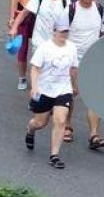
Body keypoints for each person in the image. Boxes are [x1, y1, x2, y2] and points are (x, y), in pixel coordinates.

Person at [25, 18, 79, 170]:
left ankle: (54, 155)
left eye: (66, 31)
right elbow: (35, 68)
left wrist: (75, 85)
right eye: (61, 31)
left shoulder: (72, 48)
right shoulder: (45, 48)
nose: (63, 34)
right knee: (40, 123)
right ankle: (30, 130)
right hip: (45, 90)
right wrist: (34, 87)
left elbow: (74, 68)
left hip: (63, 89)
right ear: (54, 32)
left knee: (60, 120)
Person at [8, 0, 71, 85]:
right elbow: (24, 13)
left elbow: (70, 23)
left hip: (57, 42)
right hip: (40, 40)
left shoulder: (66, 1)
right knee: (39, 68)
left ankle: (49, 96)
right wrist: (14, 28)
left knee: (53, 70)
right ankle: (36, 96)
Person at [65, 0, 104, 150]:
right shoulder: (70, 10)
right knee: (69, 94)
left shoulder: (99, 10)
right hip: (72, 57)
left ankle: (94, 135)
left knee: (94, 97)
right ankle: (67, 125)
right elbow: (61, 34)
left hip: (92, 58)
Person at [8, 0, 49, 90]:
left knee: (40, 46)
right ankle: (22, 77)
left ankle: (39, 76)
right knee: (23, 47)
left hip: (39, 15)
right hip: (23, 12)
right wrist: (12, 17)